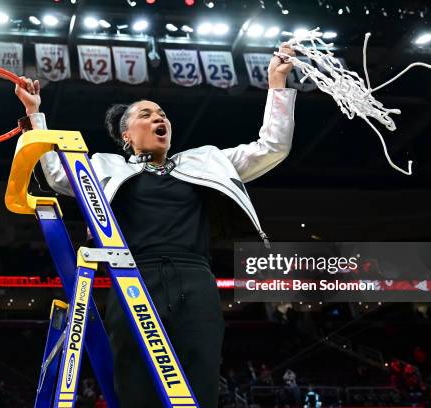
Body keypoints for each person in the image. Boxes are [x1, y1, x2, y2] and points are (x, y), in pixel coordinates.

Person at [15, 44, 297, 408]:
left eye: (162, 114)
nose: (158, 118)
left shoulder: (206, 161)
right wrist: (35, 114)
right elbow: (55, 175)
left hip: (195, 279)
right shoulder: (105, 166)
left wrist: (276, 81)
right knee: (135, 382)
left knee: (200, 380)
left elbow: (272, 146)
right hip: (133, 277)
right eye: (146, 115)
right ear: (126, 135)